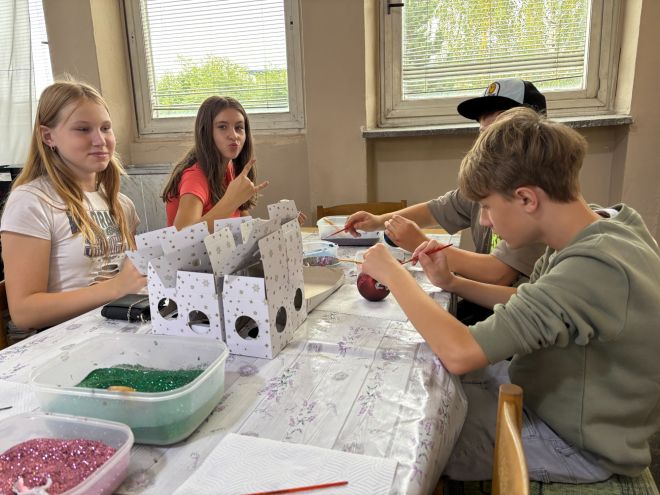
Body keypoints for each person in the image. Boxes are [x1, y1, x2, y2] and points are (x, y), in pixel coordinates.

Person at [360, 107, 660, 483]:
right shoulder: (602, 226)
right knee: (423, 383)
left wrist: (393, 273)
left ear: (526, 199)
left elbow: (460, 353)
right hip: (543, 389)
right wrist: (453, 283)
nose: (484, 220)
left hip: (574, 441)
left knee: (404, 436)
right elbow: (525, 301)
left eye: (487, 207)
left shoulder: (595, 268)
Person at [346, 79, 547, 323]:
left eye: (498, 133)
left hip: (511, 318)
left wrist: (421, 245)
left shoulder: (533, 202)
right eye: (483, 134)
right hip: (486, 303)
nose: (485, 146)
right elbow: (434, 210)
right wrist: (379, 221)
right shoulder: (486, 184)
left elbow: (499, 274)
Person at [0, 80, 147, 331]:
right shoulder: (32, 202)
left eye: (105, 128)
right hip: (68, 343)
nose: (100, 140)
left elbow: (132, 276)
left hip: (122, 332)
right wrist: (114, 288)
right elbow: (24, 313)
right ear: (48, 136)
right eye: (83, 129)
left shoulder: (122, 204)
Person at [162, 96, 269, 232]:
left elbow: (244, 220)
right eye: (222, 127)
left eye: (239, 127)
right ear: (205, 132)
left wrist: (276, 224)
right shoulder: (194, 177)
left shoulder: (230, 167)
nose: (234, 135)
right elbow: (181, 236)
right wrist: (232, 201)